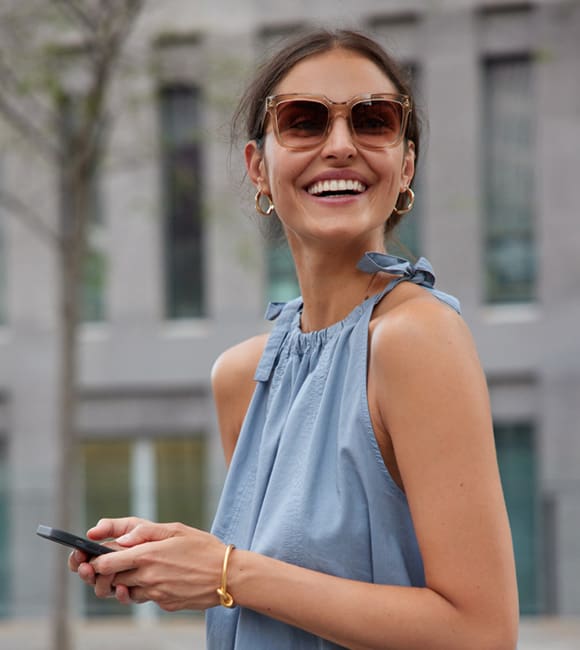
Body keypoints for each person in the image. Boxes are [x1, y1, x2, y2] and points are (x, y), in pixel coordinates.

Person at [69, 28, 519, 650]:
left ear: (405, 163)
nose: (341, 146)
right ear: (259, 167)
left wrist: (225, 571)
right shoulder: (243, 375)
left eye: (374, 120)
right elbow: (283, 600)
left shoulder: (418, 339)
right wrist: (177, 564)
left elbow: (481, 633)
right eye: (304, 121)